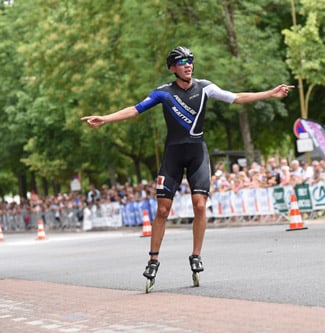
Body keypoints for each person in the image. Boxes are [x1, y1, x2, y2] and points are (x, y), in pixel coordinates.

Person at [80, 46, 292, 292]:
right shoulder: (163, 93)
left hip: (196, 153)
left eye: (190, 60)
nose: (188, 64)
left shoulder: (205, 88)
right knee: (162, 209)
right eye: (182, 61)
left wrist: (270, 94)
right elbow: (134, 110)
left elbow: (236, 97)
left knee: (200, 205)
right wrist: (105, 118)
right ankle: (153, 259)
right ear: (172, 68)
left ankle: (196, 255)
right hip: (172, 154)